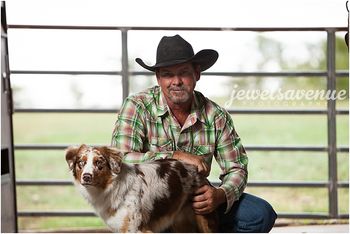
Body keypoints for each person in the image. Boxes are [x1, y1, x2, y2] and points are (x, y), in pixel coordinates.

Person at [111, 34, 277, 232]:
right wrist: (174, 156)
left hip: (195, 199)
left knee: (260, 214)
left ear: (196, 74)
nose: (177, 81)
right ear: (158, 78)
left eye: (184, 72)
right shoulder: (137, 106)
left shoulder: (215, 115)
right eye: (168, 74)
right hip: (151, 202)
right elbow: (120, 160)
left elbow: (236, 168)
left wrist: (220, 194)